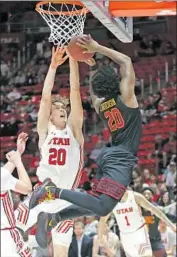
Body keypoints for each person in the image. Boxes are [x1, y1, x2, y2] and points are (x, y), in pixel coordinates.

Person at [29, 34, 142, 216]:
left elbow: (95, 88)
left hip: (110, 155)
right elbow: (126, 61)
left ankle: (55, 218)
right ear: (118, 84)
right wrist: (96, 48)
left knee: (98, 205)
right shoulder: (127, 99)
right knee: (103, 208)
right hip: (121, 154)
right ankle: (53, 194)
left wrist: (92, 63)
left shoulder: (100, 105)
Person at [15, 47, 87, 257]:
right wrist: (53, 66)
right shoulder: (46, 132)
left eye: (64, 110)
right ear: (49, 116)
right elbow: (45, 98)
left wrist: (73, 60)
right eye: (57, 109)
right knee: (9, 231)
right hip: (41, 195)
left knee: (61, 254)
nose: (62, 110)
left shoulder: (74, 131)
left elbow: (75, 92)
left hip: (65, 201)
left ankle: (42, 223)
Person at [98, 189, 176, 257]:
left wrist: (171, 225)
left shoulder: (135, 196)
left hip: (139, 233)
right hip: (125, 236)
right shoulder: (111, 202)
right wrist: (100, 237)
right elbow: (102, 220)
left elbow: (156, 211)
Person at [1, 133, 32, 257]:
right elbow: (27, 188)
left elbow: (6, 170)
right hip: (5, 238)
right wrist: (18, 162)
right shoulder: (2, 176)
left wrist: (18, 151)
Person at [142, 188, 176, 257]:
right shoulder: (138, 209)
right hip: (142, 240)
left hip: (155, 240)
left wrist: (173, 225)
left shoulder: (157, 208)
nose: (146, 195)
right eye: (144, 194)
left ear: (152, 196)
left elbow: (169, 217)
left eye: (148, 194)